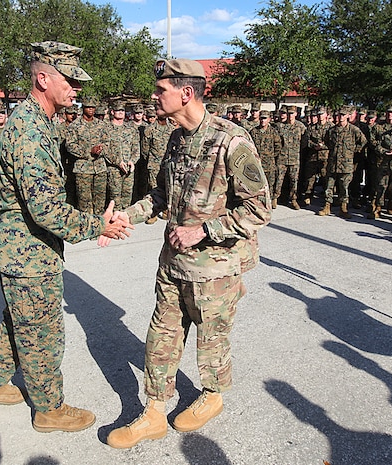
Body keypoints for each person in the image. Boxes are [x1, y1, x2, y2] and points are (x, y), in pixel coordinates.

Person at [102, 58, 271, 449]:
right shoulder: (175, 138)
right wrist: (126, 216)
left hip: (215, 269)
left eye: (161, 89)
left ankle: (212, 396)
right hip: (173, 264)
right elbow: (162, 194)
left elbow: (259, 208)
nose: (154, 96)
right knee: (161, 335)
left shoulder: (232, 141)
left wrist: (204, 230)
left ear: (186, 93)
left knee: (212, 341)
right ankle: (154, 412)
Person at [0, 41, 132, 433]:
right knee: (42, 334)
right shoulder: (29, 131)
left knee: (19, 321)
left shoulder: (40, 122)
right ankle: (49, 409)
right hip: (28, 254)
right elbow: (44, 209)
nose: (76, 89)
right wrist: (98, 225)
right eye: (70, 80)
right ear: (43, 78)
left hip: (26, 250)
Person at [318, 106, 367, 219]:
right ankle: (327, 206)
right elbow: (326, 142)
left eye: (343, 115)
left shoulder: (353, 130)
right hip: (332, 163)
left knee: (344, 187)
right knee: (329, 186)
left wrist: (353, 150)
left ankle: (343, 207)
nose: (340, 117)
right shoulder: (332, 130)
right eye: (339, 115)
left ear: (348, 116)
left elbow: (363, 142)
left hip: (346, 164)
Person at [65, 97, 109, 214]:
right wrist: (89, 151)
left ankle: (100, 226)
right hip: (83, 169)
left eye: (93, 107)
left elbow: (107, 143)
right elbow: (70, 145)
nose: (91, 110)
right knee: (84, 202)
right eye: (88, 107)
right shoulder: (74, 126)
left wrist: (101, 150)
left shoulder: (101, 125)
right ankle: (87, 228)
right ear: (83, 108)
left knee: (100, 200)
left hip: (100, 168)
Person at [106, 101, 140, 209]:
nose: (120, 112)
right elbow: (105, 150)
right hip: (114, 169)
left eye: (122, 110)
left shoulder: (131, 129)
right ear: (112, 112)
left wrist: (132, 161)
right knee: (114, 197)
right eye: (118, 110)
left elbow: (136, 148)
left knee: (127, 195)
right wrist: (117, 162)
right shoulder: (106, 129)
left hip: (129, 168)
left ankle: (124, 219)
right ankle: (115, 220)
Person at [250, 110, 282, 197]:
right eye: (261, 118)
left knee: (270, 185)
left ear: (269, 119)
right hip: (257, 164)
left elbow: (278, 146)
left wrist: (271, 156)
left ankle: (269, 202)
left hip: (269, 164)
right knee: (256, 185)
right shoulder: (253, 131)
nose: (262, 120)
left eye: (265, 118)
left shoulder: (273, 132)